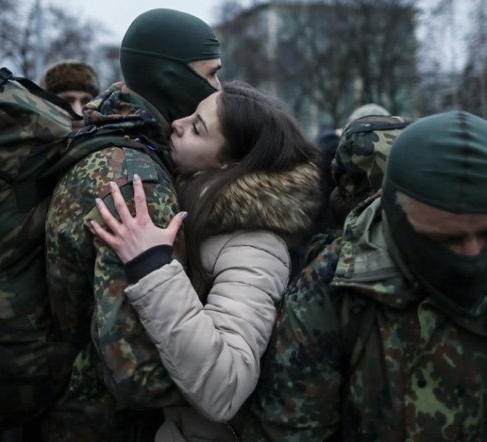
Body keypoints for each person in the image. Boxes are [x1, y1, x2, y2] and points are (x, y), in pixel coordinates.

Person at [87, 80, 326, 441]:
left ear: (230, 162)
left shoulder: (257, 246)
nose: (176, 124)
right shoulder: (199, 204)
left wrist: (153, 266)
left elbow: (224, 387)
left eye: (197, 128)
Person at [237, 110, 487, 441]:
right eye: (445, 239)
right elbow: (292, 430)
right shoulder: (333, 288)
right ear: (394, 212)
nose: (471, 253)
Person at [43, 8, 222, 441]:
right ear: (168, 78)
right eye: (213, 74)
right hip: (108, 425)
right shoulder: (136, 180)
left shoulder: (110, 134)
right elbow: (135, 369)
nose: (219, 88)